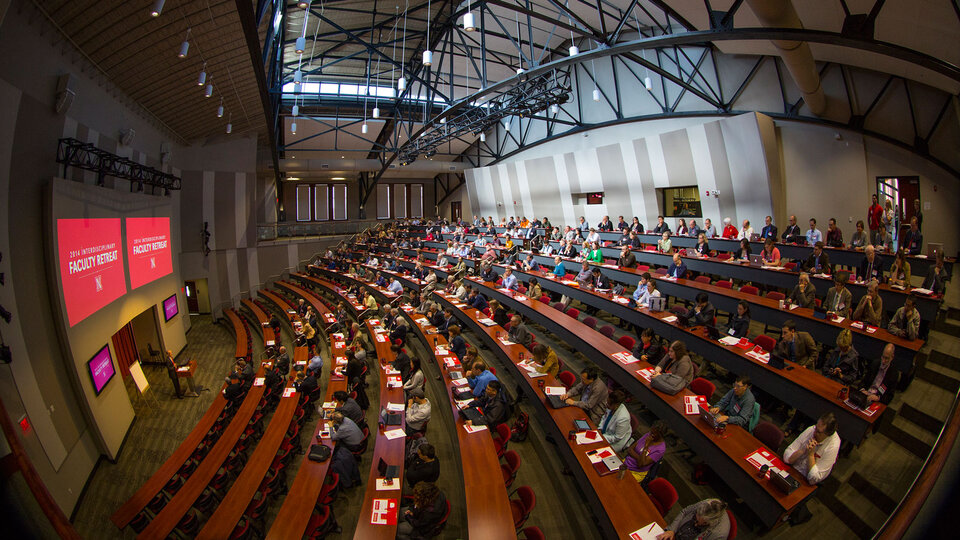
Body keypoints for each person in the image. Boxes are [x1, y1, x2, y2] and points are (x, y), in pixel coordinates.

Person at [784, 412, 840, 485]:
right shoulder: (812, 429)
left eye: (818, 432)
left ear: (827, 435)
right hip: (791, 469)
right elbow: (786, 455)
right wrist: (802, 451)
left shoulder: (832, 447)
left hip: (805, 482)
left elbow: (814, 479)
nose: (814, 433)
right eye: (816, 427)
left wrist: (811, 455)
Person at [656, 499, 730, 540]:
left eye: (702, 524)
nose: (696, 524)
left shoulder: (718, 534)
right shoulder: (706, 504)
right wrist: (672, 530)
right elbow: (684, 512)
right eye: (696, 519)